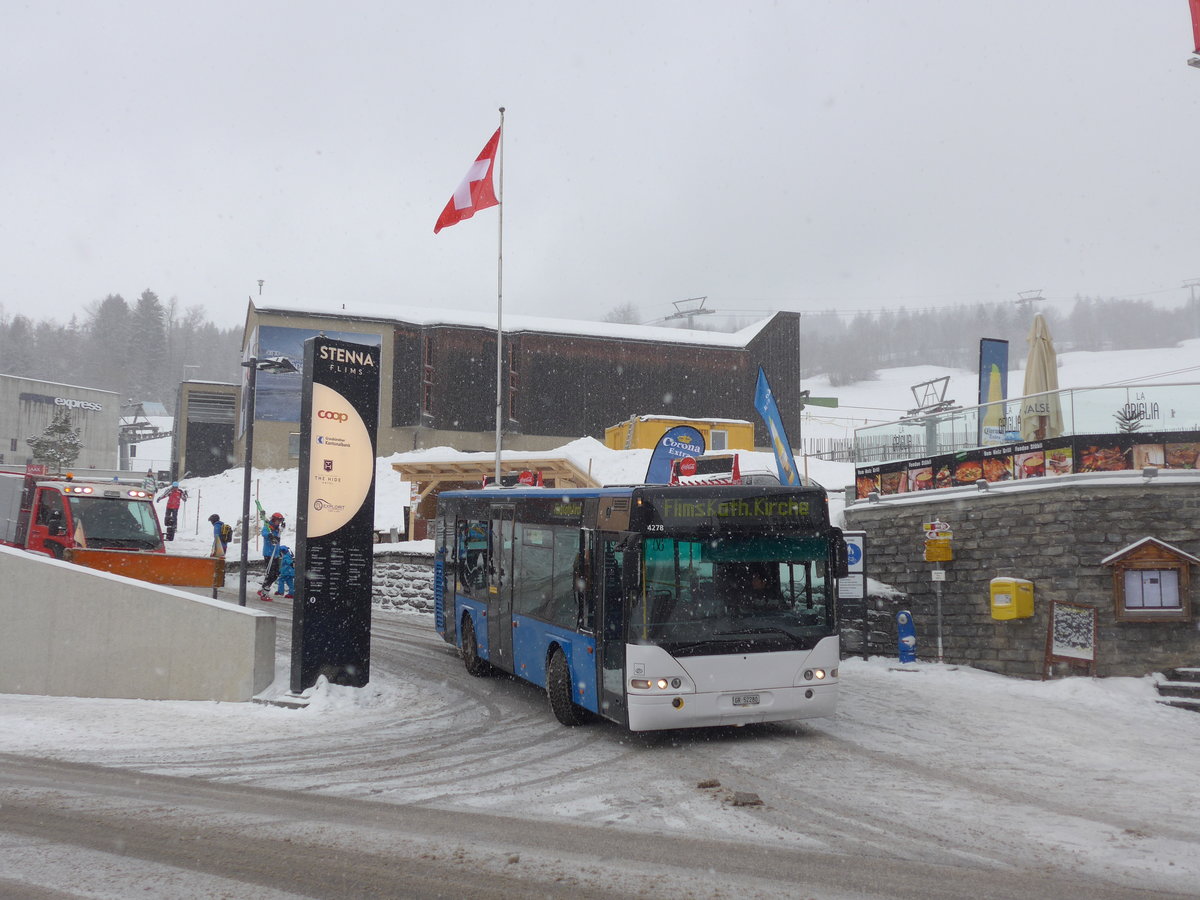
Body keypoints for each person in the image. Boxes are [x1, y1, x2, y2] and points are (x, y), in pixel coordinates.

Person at [258, 512, 285, 600]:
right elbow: (264, 533)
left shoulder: (277, 528)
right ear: (274, 519)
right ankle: (264, 593)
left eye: (280, 521)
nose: (279, 522)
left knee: (276, 573)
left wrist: (281, 529)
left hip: (275, 553)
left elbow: (277, 538)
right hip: (269, 554)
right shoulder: (268, 527)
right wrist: (270, 536)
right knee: (271, 574)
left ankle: (263, 588)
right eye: (278, 520)